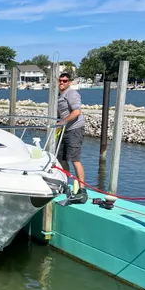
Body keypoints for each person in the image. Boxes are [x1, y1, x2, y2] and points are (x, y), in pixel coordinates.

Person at [56, 72, 87, 202]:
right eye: (60, 80)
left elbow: (76, 111)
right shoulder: (59, 96)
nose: (62, 83)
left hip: (74, 130)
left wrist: (63, 121)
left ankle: (82, 189)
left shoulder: (71, 94)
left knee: (75, 159)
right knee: (61, 159)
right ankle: (65, 184)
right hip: (63, 131)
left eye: (65, 81)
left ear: (69, 82)